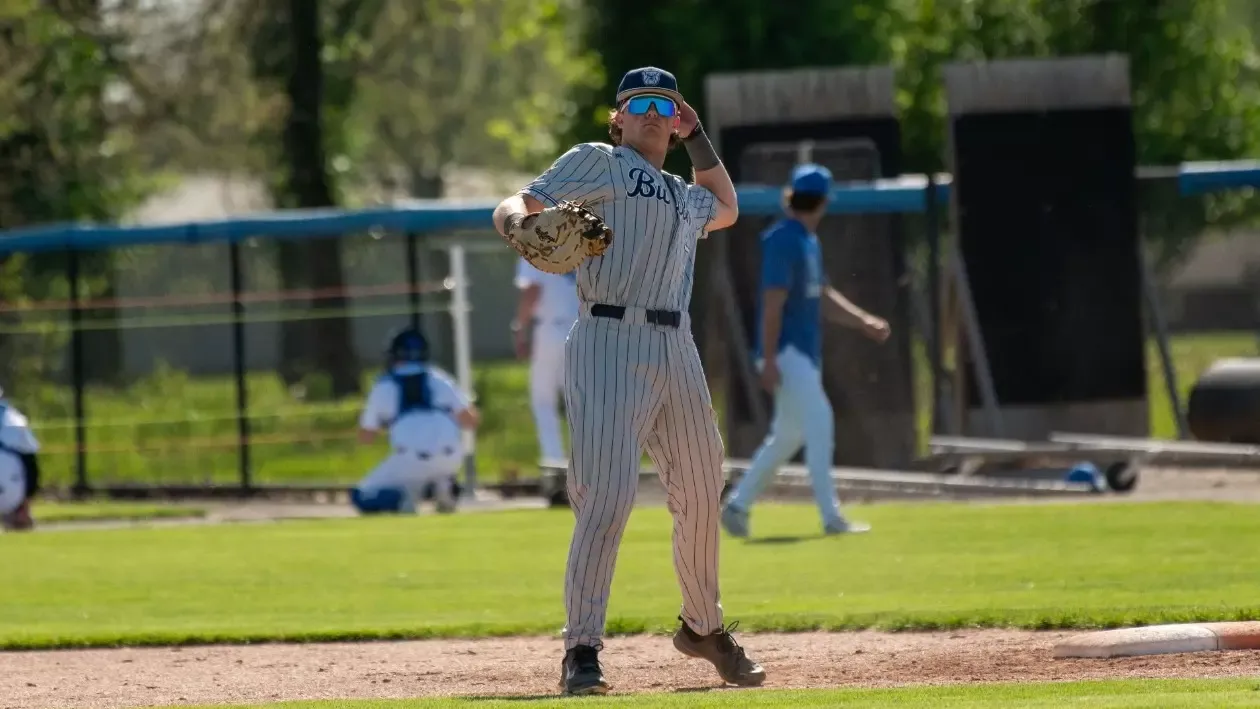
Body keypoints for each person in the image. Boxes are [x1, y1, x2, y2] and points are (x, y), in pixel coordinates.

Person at [492, 66, 765, 696]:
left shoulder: (681, 190)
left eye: (663, 105)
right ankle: (581, 650)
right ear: (617, 117)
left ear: (676, 120)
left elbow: (727, 207)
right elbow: (517, 202)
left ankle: (703, 628)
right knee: (607, 497)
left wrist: (699, 140)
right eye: (637, 102)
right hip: (608, 339)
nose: (649, 112)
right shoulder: (598, 161)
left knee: (701, 489)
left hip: (676, 345)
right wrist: (515, 225)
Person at [720, 164, 891, 539]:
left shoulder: (808, 241)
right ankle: (831, 517)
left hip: (800, 354)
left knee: (787, 436)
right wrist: (766, 359)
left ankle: (736, 506)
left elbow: (823, 297)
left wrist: (864, 321)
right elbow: (772, 303)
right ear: (822, 202)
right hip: (787, 352)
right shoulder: (784, 239)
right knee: (820, 422)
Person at [352, 326, 479, 515]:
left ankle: (404, 497)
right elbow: (471, 420)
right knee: (433, 469)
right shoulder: (439, 377)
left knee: (361, 495)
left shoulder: (385, 384)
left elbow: (366, 437)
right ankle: (442, 487)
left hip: (411, 459)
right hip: (451, 458)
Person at [511, 257, 579, 464]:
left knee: (543, 399)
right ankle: (586, 460)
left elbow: (532, 291)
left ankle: (554, 460)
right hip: (582, 328)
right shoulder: (581, 236)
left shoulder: (534, 243)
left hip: (552, 328)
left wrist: (519, 329)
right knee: (579, 400)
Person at [0, 387, 41, 532]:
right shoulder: (14, 419)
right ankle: (20, 516)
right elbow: (31, 464)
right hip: (12, 496)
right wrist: (26, 501)